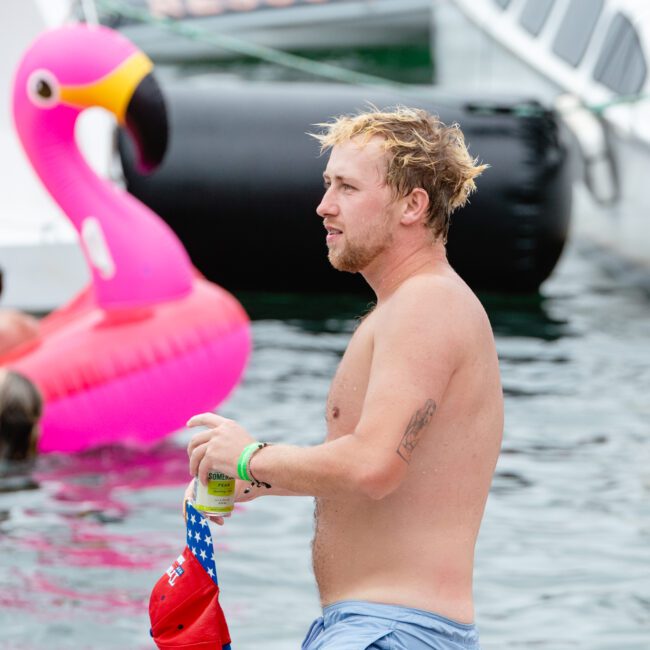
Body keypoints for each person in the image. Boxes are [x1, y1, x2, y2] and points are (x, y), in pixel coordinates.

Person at [186, 106, 503, 649]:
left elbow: (374, 466)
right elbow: (386, 473)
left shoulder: (426, 305)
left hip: (391, 629)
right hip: (378, 627)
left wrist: (249, 455)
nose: (323, 206)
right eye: (328, 184)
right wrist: (258, 480)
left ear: (413, 205)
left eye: (347, 188)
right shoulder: (414, 306)